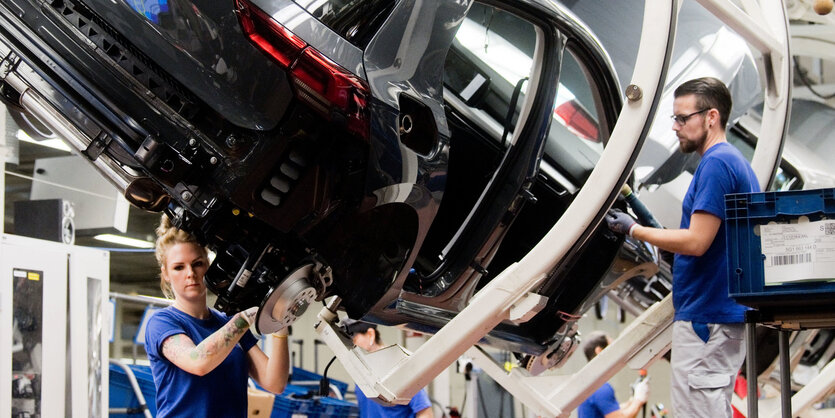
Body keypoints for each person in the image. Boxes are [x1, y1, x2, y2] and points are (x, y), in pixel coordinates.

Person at [605, 77, 760, 417]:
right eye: (673, 118)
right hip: (718, 318)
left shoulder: (717, 164)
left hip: (707, 318)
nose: (675, 127)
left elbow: (697, 241)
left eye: (682, 118)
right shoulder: (736, 163)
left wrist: (635, 231)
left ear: (711, 117)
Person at [144, 215, 290, 417]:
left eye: (197, 264)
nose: (190, 273)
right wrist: (245, 318)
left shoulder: (226, 322)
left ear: (208, 265)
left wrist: (281, 321)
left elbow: (275, 383)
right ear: (166, 274)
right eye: (179, 267)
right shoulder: (162, 323)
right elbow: (198, 362)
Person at [344, 320, 434, 418]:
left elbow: (425, 413)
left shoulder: (398, 369)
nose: (351, 343)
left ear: (370, 334)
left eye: (354, 338)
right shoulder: (362, 372)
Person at [578, 331, 649, 418]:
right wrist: (639, 400)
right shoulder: (599, 387)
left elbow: (611, 410)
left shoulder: (589, 382)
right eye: (612, 348)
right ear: (599, 351)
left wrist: (632, 400)